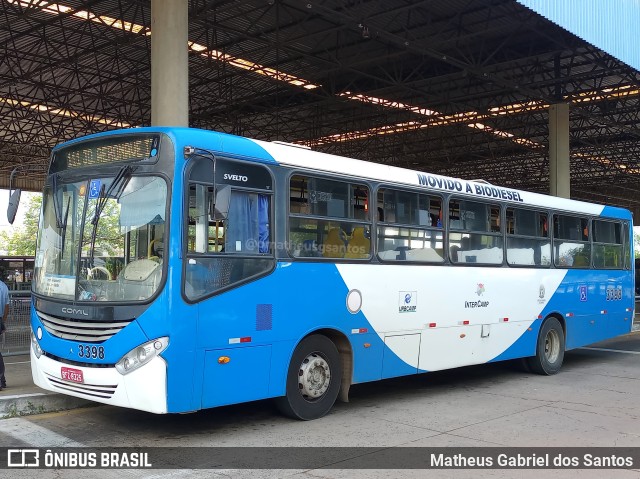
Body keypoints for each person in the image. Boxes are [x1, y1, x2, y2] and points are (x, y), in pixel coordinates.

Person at [0, 279, 8, 391]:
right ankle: (2, 380)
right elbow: (7, 307)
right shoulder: (3, 286)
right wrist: (2, 322)